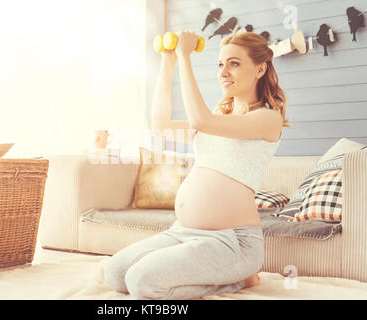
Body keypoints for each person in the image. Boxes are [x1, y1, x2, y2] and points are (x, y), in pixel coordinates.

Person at [103, 31, 292, 300]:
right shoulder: (219, 116)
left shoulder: (267, 119)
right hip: (183, 231)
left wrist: (184, 57)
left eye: (234, 63)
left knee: (141, 281)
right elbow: (161, 126)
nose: (223, 72)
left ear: (260, 68)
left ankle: (235, 280)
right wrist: (168, 62)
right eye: (220, 64)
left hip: (231, 242)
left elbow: (201, 121)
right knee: (115, 272)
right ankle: (229, 277)